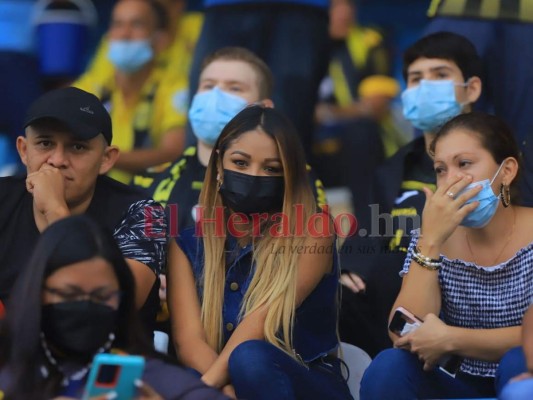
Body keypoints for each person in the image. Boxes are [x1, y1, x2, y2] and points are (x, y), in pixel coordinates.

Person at [167, 105, 352, 400]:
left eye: (271, 169)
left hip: (305, 383)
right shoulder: (186, 244)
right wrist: (222, 390)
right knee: (184, 379)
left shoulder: (315, 230)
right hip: (224, 382)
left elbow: (261, 324)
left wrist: (211, 387)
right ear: (218, 166)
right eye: (240, 163)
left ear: (289, 175)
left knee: (249, 357)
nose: (253, 176)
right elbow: (188, 342)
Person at [359, 112, 533, 399]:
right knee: (389, 366)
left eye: (464, 164)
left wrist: (452, 339)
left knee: (517, 359)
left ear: (507, 170)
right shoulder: (432, 237)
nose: (451, 181)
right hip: (455, 381)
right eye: (440, 169)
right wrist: (431, 241)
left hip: (521, 376)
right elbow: (402, 331)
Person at [338, 31, 483, 358]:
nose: (426, 85)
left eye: (440, 75)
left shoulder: (506, 160)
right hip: (399, 306)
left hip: (480, 297)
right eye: (416, 78)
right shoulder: (393, 169)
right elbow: (369, 231)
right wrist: (349, 266)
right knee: (336, 291)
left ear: (472, 88)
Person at [0, 215, 229, 399]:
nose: (86, 306)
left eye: (102, 296)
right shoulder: (9, 364)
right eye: (69, 294)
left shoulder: (138, 374)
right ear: (37, 292)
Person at [0, 86, 166, 336]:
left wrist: (55, 209)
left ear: (106, 159)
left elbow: (113, 307)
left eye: (77, 147)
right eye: (45, 143)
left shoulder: (147, 213)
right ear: (24, 151)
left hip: (110, 362)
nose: (57, 160)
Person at [186, 0, 330, 160]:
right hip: (225, 7)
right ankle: (196, 181)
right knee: (208, 109)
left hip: (301, 8)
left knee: (288, 127)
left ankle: (285, 184)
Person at [74, 0, 187, 184]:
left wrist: (101, 157)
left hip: (147, 201)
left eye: (137, 24)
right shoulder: (94, 83)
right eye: (118, 24)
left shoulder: (173, 86)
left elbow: (173, 152)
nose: (124, 34)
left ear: (160, 41)